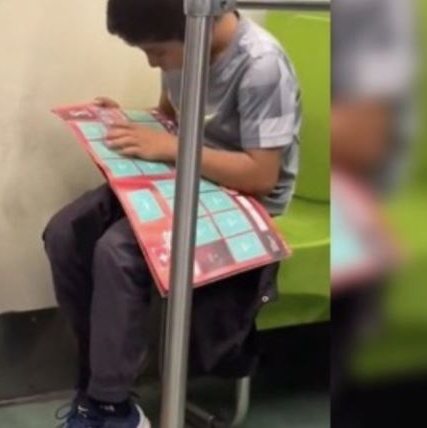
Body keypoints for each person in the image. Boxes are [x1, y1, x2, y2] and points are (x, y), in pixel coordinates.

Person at [43, 0, 301, 426]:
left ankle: (113, 406)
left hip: (246, 195)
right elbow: (169, 120)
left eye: (158, 53)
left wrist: (172, 149)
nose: (153, 64)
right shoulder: (185, 46)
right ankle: (95, 384)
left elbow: (262, 175)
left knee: (118, 251)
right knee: (66, 233)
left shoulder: (261, 65)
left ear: (197, 26)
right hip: (188, 172)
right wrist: (123, 119)